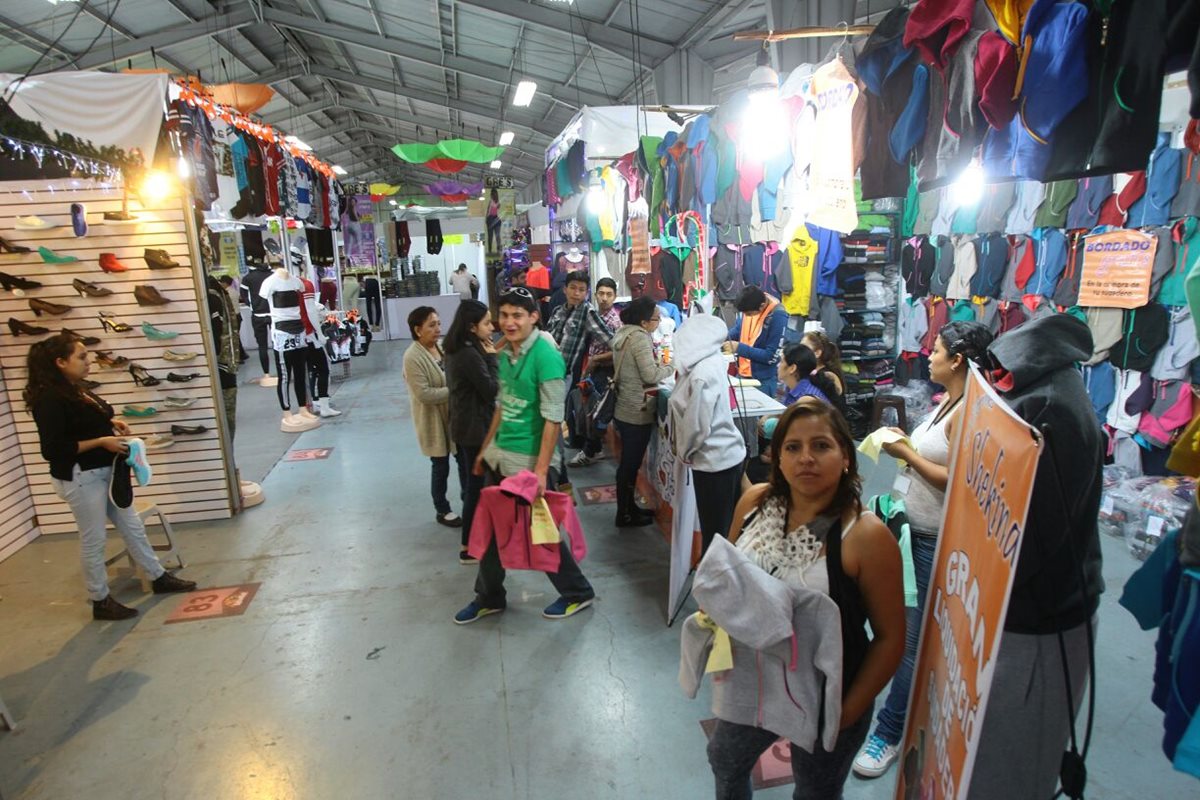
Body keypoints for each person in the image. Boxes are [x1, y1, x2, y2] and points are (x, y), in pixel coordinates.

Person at [707, 399, 905, 799]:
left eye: (821, 446)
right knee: (724, 759)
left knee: (815, 790)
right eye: (793, 447)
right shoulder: (755, 504)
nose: (806, 459)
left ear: (846, 457)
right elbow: (729, 582)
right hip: (754, 680)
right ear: (776, 457)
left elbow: (890, 638)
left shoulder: (866, 537)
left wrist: (846, 712)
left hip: (826, 693)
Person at [966, 313, 1104, 799]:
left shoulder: (1050, 410)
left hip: (1037, 621)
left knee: (1013, 765)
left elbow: (1034, 540)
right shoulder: (1042, 394)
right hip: (1016, 609)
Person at [853, 321, 995, 779]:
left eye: (935, 351)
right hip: (911, 532)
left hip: (932, 541)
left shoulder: (970, 410)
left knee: (907, 642)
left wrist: (906, 455)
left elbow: (955, 479)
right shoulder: (948, 402)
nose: (928, 356)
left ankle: (889, 732)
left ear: (957, 360)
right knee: (899, 630)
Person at [25, 335, 197, 621]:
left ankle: (157, 576)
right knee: (94, 539)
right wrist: (100, 441)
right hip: (80, 477)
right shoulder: (49, 399)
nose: (88, 361)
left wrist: (109, 423)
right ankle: (99, 599)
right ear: (60, 362)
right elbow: (54, 449)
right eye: (81, 357)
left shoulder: (73, 389)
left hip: (105, 472)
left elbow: (82, 424)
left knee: (132, 526)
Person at [454, 287, 595, 624]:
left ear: (534, 317)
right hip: (502, 456)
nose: (509, 322)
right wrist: (487, 448)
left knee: (539, 532)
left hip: (528, 463)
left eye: (517, 315)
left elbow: (552, 417)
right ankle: (490, 597)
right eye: (503, 315)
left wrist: (543, 470)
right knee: (490, 530)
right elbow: (503, 407)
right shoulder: (506, 356)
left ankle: (577, 592)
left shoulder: (546, 356)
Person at [671, 313, 748, 554]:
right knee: (724, 530)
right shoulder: (712, 361)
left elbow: (697, 424)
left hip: (714, 462)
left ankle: (714, 583)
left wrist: (684, 451)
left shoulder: (702, 372)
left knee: (715, 534)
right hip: (725, 456)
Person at [444, 300, 499, 566]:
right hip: (475, 430)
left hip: (468, 426)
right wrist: (493, 358)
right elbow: (490, 390)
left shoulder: (463, 349)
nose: (493, 327)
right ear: (471, 327)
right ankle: (469, 546)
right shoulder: (468, 354)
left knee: (475, 486)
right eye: (487, 323)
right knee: (476, 488)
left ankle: (478, 538)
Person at [611, 296, 673, 527]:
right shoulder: (639, 338)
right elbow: (650, 375)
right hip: (637, 410)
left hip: (625, 407)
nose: (659, 322)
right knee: (630, 464)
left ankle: (628, 508)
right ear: (645, 322)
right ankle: (625, 514)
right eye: (657, 319)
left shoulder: (623, 332)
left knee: (628, 463)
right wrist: (670, 367)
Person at [402, 306, 465, 528]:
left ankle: (469, 501)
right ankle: (442, 509)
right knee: (440, 465)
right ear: (418, 330)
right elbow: (424, 394)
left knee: (462, 459)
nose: (438, 329)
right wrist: (456, 390)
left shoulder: (440, 347)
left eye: (438, 323)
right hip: (432, 419)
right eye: (432, 325)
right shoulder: (412, 357)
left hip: (452, 416)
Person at [547, 270, 614, 450]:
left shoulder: (588, 312)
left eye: (581, 290)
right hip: (544, 373)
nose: (577, 293)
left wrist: (601, 358)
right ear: (565, 289)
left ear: (587, 292)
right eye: (573, 288)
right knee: (546, 419)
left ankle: (557, 470)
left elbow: (611, 340)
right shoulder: (557, 311)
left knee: (552, 421)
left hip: (561, 376)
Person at [567, 277, 620, 467]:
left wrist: (596, 360)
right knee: (590, 409)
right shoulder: (596, 315)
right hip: (593, 369)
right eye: (601, 294)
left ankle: (590, 451)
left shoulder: (614, 321)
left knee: (597, 413)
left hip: (605, 370)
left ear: (615, 297)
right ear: (595, 295)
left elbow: (618, 350)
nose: (605, 298)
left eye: (609, 294)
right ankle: (593, 448)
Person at [725, 285, 788, 399]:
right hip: (742, 374)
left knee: (760, 416)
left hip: (762, 381)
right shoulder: (750, 304)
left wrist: (739, 348)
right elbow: (739, 329)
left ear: (762, 306)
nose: (746, 316)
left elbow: (770, 356)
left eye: (748, 314)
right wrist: (721, 337)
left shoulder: (778, 315)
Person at [802, 330, 845, 399]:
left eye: (803, 348)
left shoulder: (827, 376)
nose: (799, 351)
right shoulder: (810, 371)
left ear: (817, 353)